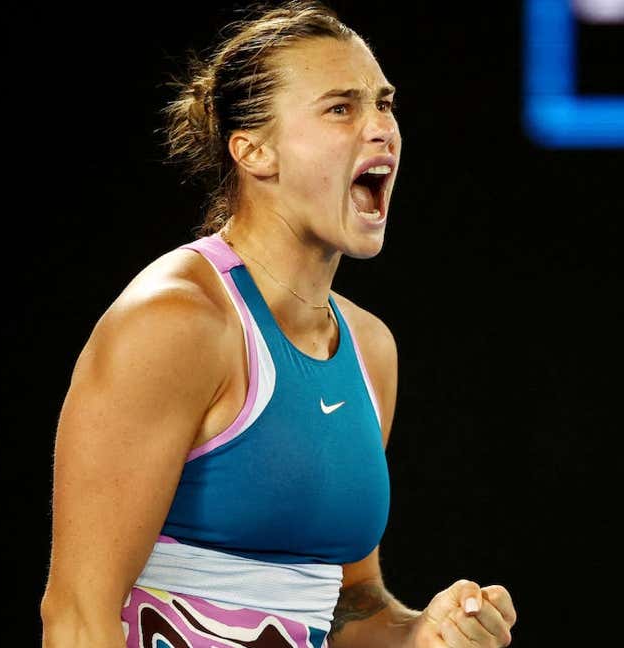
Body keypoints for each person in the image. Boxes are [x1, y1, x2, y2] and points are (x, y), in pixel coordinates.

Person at [38, 2, 517, 646]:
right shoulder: (175, 322)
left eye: (385, 103)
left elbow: (346, 602)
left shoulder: (370, 349)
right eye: (341, 108)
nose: (381, 128)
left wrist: (418, 632)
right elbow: (76, 616)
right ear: (255, 151)